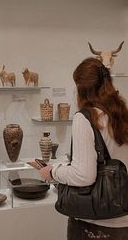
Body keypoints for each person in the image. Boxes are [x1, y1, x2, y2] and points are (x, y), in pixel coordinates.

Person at [39, 57, 128, 239]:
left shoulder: (86, 117)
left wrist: (53, 171)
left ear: (81, 88)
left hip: (96, 223)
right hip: (123, 216)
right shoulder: (120, 114)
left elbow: (84, 175)